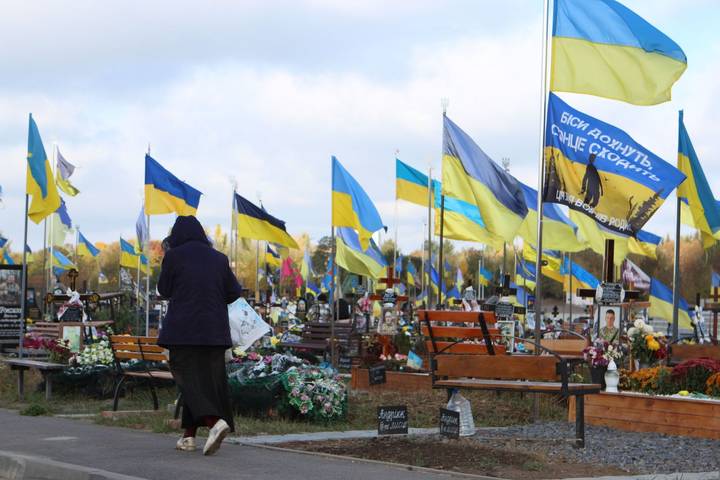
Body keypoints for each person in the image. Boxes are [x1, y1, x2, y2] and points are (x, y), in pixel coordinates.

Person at [157, 216, 242, 455]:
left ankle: (214, 423)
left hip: (183, 330)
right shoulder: (219, 258)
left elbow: (164, 289)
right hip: (215, 332)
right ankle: (189, 437)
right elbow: (234, 292)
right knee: (207, 381)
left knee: (187, 378)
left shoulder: (173, 255)